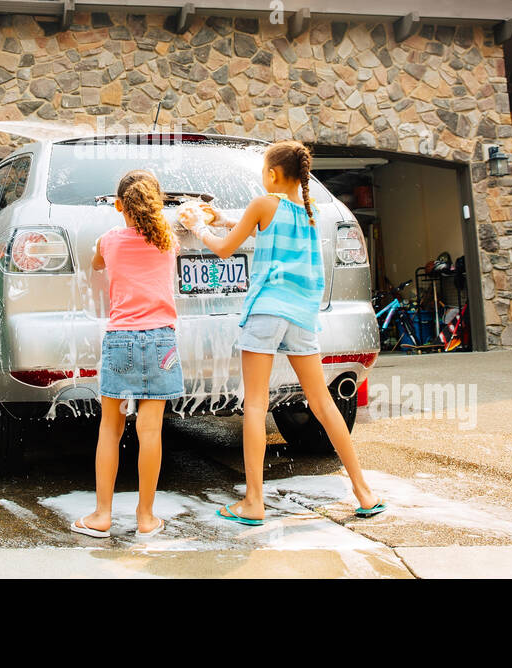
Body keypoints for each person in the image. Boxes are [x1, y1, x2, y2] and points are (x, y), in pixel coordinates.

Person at [183, 140, 385, 523]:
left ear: (273, 174)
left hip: (266, 313)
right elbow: (265, 229)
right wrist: (224, 217)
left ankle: (254, 503)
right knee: (323, 404)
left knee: (256, 405)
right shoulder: (309, 213)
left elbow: (225, 249)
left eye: (263, 171)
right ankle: (363, 492)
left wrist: (198, 226)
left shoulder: (263, 204)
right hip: (303, 317)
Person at [72, 169, 182, 539]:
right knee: (151, 431)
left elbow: (96, 264)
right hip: (161, 344)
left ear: (119, 205)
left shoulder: (109, 241)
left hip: (121, 342)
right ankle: (146, 518)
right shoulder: (168, 241)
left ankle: (102, 515)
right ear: (157, 203)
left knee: (110, 428)